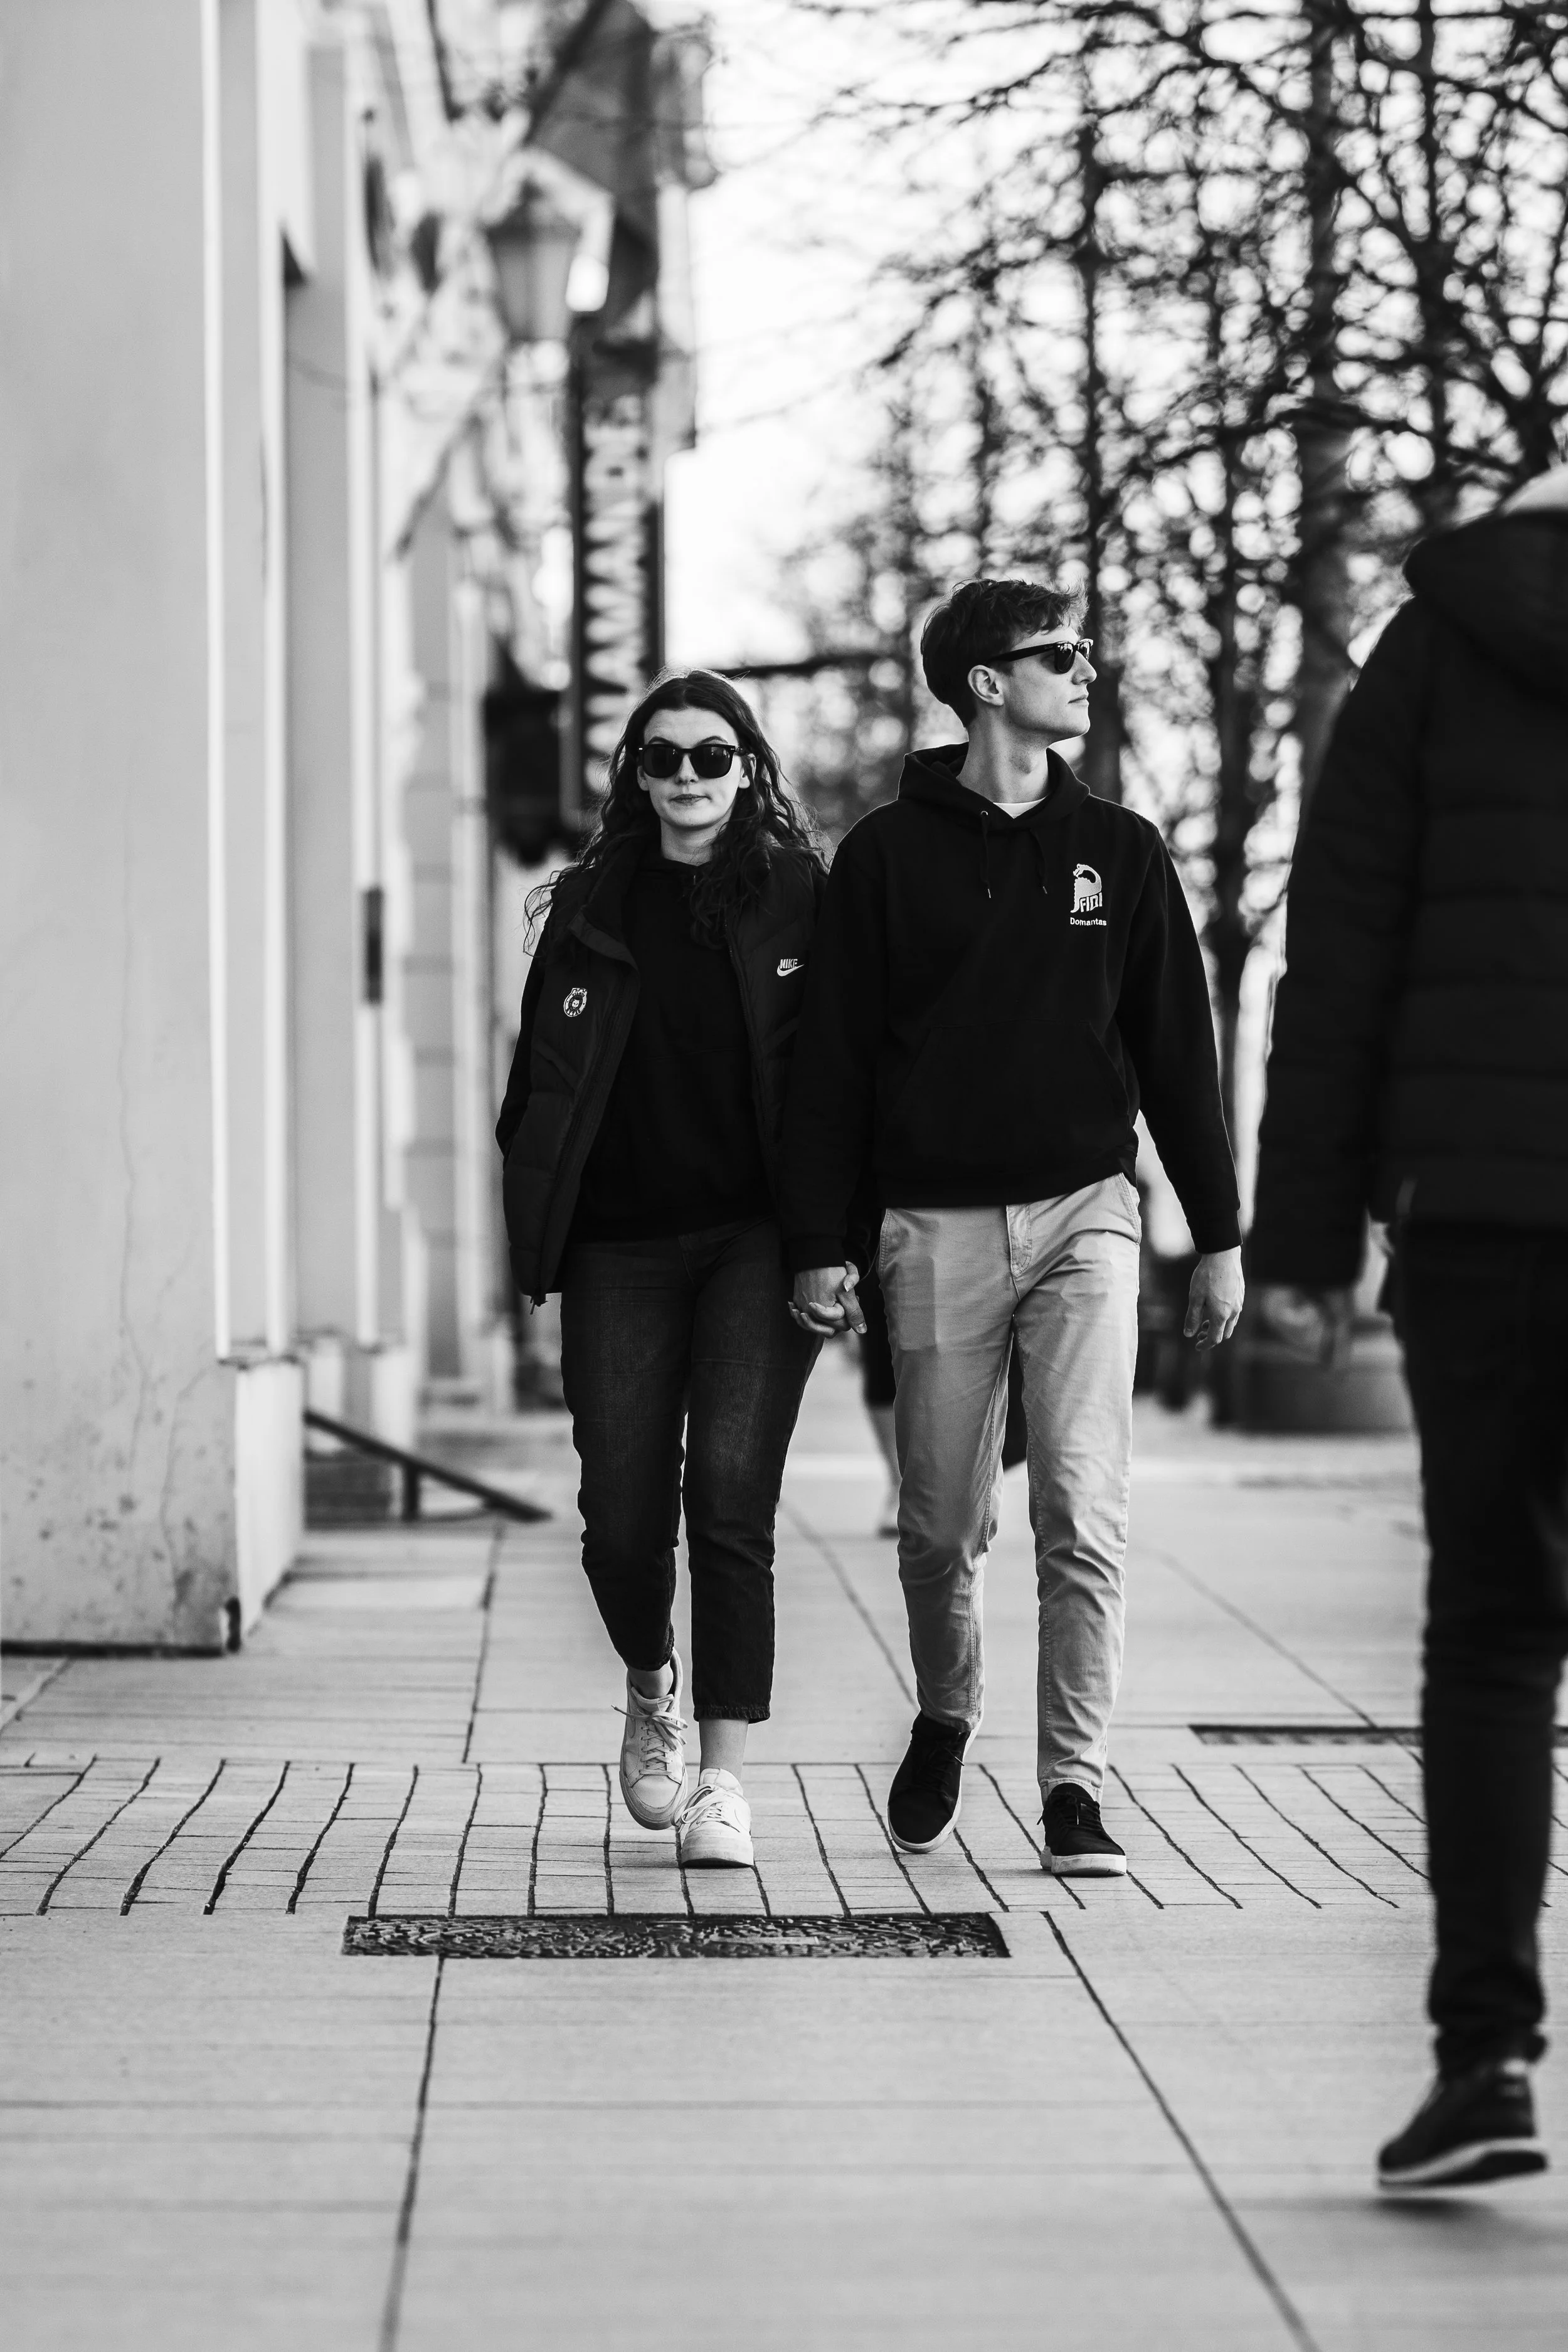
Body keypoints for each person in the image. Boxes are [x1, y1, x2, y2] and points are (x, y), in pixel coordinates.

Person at [781, 576, 1244, 1873]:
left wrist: (1217, 1234)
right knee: (940, 1526)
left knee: (1082, 1512)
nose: (1086, 670)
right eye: (1060, 654)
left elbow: (1176, 1055)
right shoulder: (883, 857)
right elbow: (831, 1065)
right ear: (986, 684)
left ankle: (1072, 1783)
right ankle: (946, 1711)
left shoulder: (1123, 851)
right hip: (931, 1228)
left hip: (1087, 1213)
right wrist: (819, 1240)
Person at [1251, 470, 1568, 2191]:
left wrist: (1302, 1240)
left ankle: (1483, 2061)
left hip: (1488, 1220)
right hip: (1483, 1203)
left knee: (1496, 1630)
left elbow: (1340, 955)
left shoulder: (1434, 647)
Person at [495, 672, 827, 1869]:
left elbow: (840, 1074)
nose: (688, 776)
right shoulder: (591, 902)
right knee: (620, 1519)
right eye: (664, 756)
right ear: (635, 773)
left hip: (755, 1239)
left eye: (712, 755)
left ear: (749, 769)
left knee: (731, 1499)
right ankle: (652, 1680)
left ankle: (724, 1783)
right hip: (619, 1243)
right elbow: (537, 1081)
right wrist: (534, 1222)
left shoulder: (799, 895)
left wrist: (830, 1238)